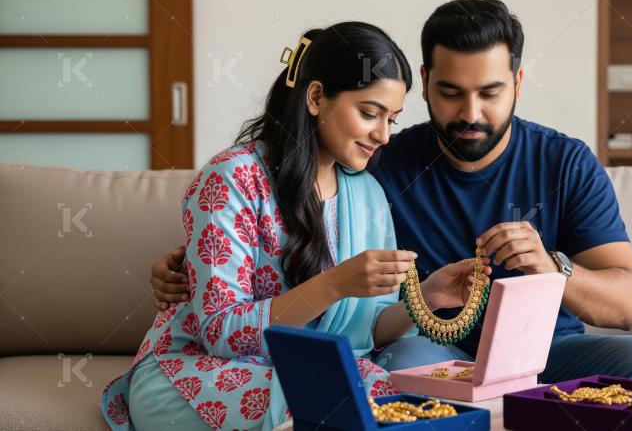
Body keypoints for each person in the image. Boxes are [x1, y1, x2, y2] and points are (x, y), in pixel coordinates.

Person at [152, 0, 632, 388]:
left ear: (518, 83)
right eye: (451, 92)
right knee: (400, 366)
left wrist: (553, 267)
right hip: (433, 352)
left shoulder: (566, 163)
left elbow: (628, 308)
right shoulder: (374, 162)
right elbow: (277, 212)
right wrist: (185, 266)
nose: (471, 113)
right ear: (426, 83)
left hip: (549, 352)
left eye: (490, 92)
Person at [102, 21, 489, 430]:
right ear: (317, 97)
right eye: (369, 113)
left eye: (391, 120)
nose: (383, 135)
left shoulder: (368, 195)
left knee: (377, 388)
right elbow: (221, 331)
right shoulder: (232, 178)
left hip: (301, 369)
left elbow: (366, 333)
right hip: (197, 370)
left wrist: (428, 296)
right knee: (334, 396)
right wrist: (335, 284)